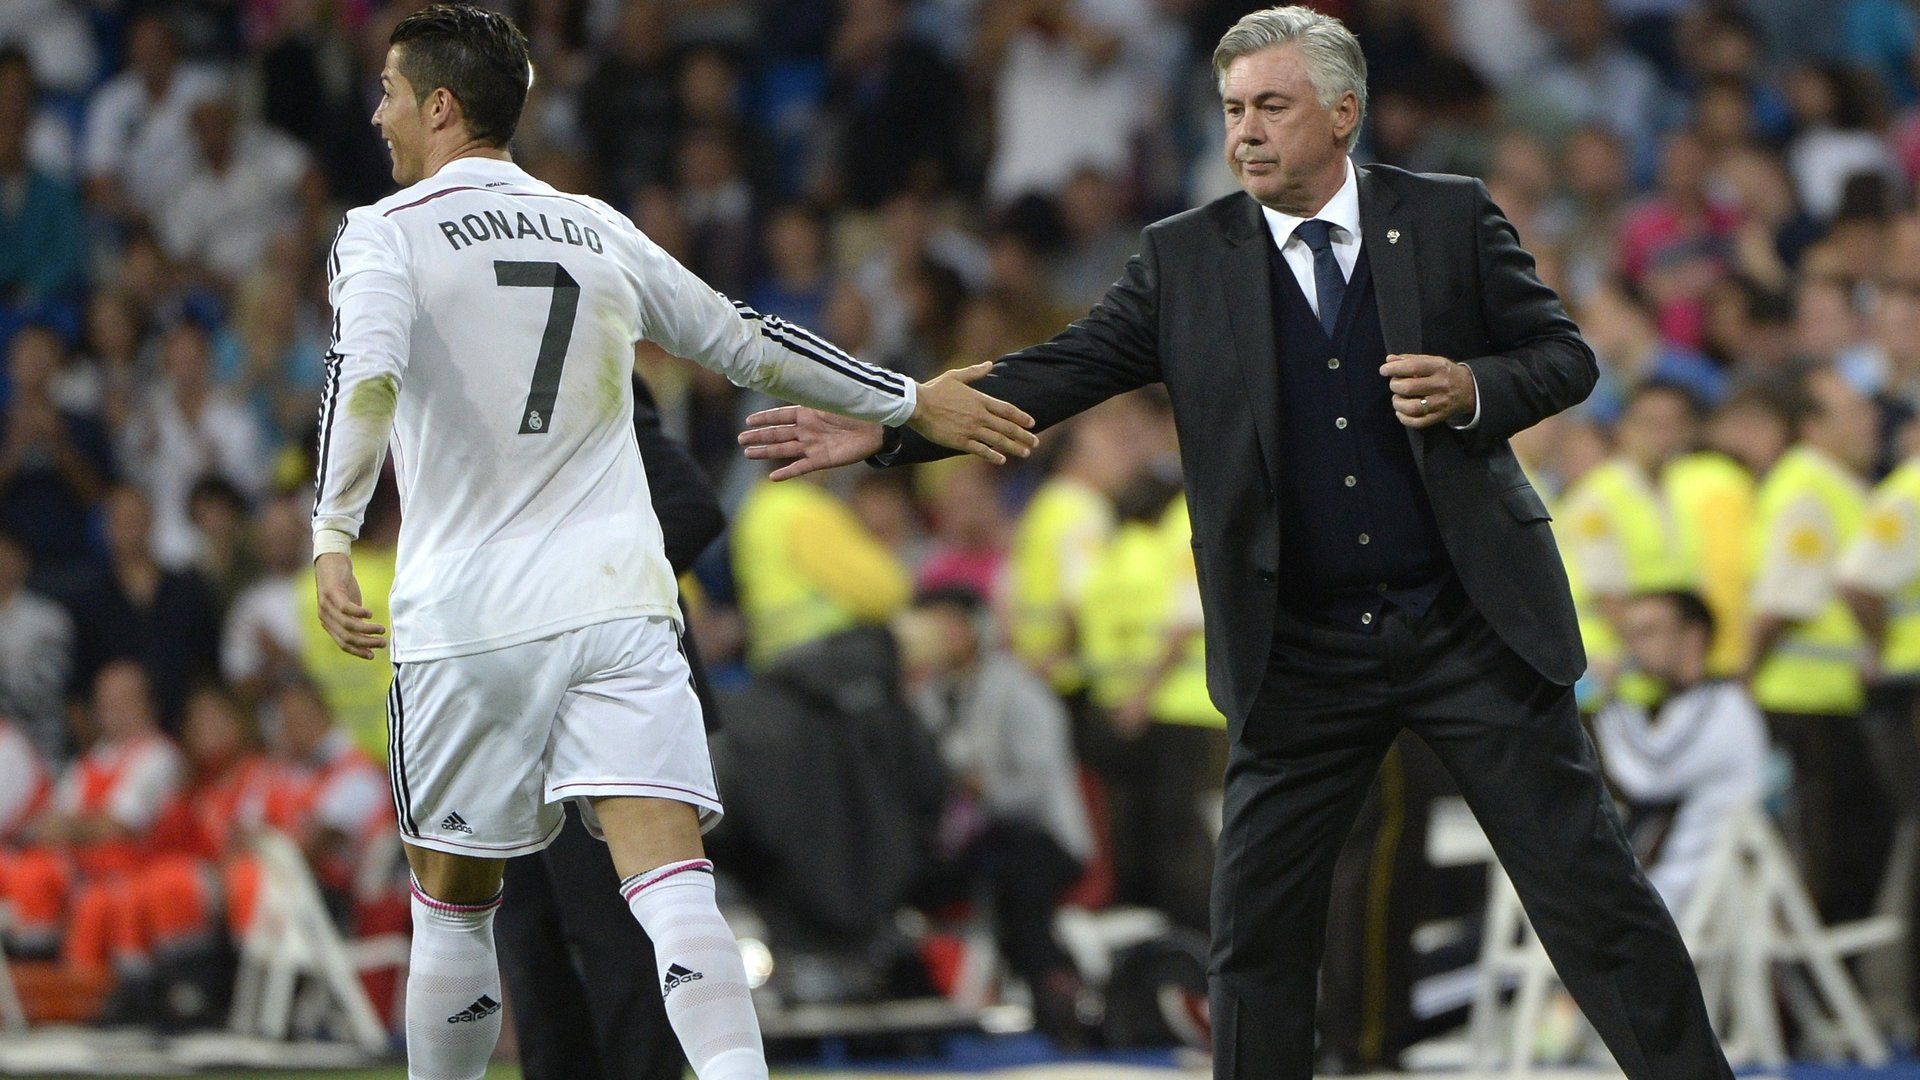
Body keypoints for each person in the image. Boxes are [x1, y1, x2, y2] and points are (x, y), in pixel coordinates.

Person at [739, 7, 1731, 1077]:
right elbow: (1059, 371)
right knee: (1254, 938)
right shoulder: (1183, 257)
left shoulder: (1446, 215)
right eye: (1232, 110)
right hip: (1301, 649)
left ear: (1343, 113)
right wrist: (892, 421)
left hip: (1469, 625)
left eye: (1271, 105)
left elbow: (1564, 357)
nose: (1245, 131)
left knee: (1591, 899)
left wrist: (1474, 388)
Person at [307, 8, 1034, 1080]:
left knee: (455, 912)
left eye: (388, 90)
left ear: (440, 106)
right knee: (675, 895)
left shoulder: (386, 231)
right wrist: (905, 398)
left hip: (467, 619)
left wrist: (331, 532)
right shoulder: (596, 227)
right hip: (617, 608)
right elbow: (745, 342)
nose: (377, 111)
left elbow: (363, 375)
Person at [498, 372, 727, 1080]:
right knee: (529, 943)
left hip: (610, 705)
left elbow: (691, 506)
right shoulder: (456, 399)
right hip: (510, 714)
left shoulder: (583, 375)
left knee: (619, 937)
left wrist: (582, 599)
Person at [1593, 591, 1767, 916]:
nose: (1633, 647)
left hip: (1678, 907)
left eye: (1647, 633)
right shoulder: (1683, 706)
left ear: (1693, 636)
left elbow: (1647, 777)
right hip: (1649, 898)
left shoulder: (1724, 704)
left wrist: (1610, 702)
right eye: (1628, 636)